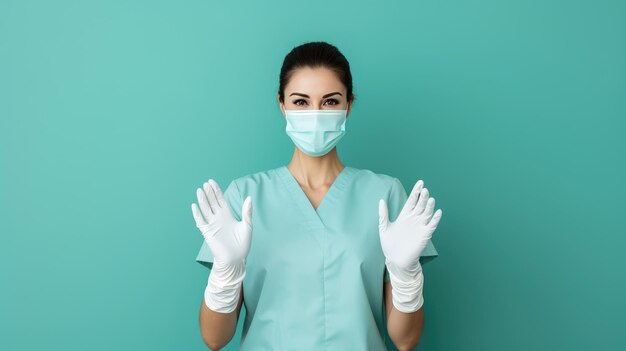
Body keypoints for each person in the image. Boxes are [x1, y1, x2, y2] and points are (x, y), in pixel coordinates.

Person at [191, 41, 442, 351]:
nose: (315, 113)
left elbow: (406, 340)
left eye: (330, 102)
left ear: (349, 105)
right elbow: (215, 339)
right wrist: (225, 273)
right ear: (281, 105)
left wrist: (406, 277)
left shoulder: (385, 195)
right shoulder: (244, 197)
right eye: (300, 102)